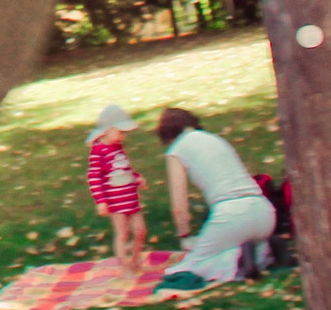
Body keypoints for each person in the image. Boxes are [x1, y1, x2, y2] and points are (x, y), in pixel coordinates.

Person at [155, 107, 275, 293]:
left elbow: (179, 206)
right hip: (263, 210)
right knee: (226, 244)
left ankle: (238, 259)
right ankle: (262, 253)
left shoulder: (177, 150)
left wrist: (184, 236)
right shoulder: (217, 139)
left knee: (188, 266)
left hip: (231, 215)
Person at [85, 103, 149, 271]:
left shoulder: (118, 147)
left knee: (140, 230)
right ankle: (125, 266)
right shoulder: (98, 151)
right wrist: (100, 200)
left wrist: (136, 178)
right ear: (108, 130)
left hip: (131, 198)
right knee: (123, 233)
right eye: (120, 132)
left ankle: (135, 261)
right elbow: (94, 177)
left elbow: (124, 168)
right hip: (116, 202)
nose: (123, 137)